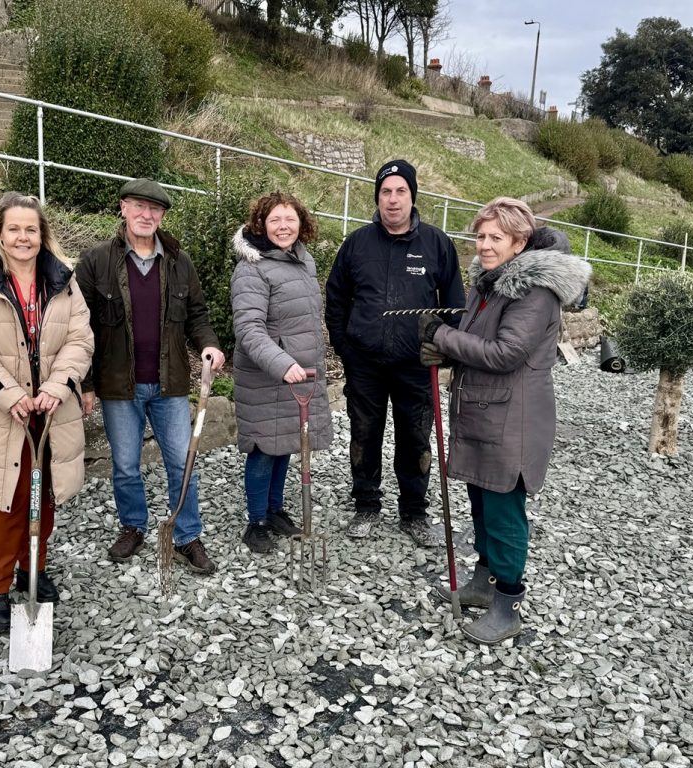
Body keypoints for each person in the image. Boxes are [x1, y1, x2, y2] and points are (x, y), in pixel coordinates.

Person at [418, 197, 590, 644]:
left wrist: (443, 337)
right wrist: (449, 332)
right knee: (481, 504)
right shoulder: (490, 284)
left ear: (519, 243)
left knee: (504, 513)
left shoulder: (532, 292)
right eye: (481, 236)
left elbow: (505, 352)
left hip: (511, 420)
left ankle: (508, 602)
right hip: (483, 413)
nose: (486, 245)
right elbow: (480, 336)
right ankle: (484, 580)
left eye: (497, 237)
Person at [0, 192, 95, 633]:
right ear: (0, 232)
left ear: (42, 234)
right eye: (14, 228)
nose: (23, 237)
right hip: (2, 411)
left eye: (31, 229)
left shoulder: (64, 281)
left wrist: (57, 387)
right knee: (6, 500)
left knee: (44, 497)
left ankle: (32, 570)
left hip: (50, 411)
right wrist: (8, 393)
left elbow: (80, 339)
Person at [76, 178, 225, 574]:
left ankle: (187, 536)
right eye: (139, 207)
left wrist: (209, 344)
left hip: (169, 384)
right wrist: (86, 384)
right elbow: (79, 327)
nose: (147, 215)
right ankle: (133, 527)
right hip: (117, 386)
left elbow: (197, 316)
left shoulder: (179, 261)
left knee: (182, 463)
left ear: (162, 216)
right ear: (123, 208)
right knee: (126, 465)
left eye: (155, 209)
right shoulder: (95, 261)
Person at [325, 159, 465, 545]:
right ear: (377, 197)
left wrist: (444, 350)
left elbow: (454, 305)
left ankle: (414, 513)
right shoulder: (357, 244)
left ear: (413, 196)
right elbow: (335, 298)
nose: (392, 200)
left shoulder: (437, 244)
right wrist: (345, 346)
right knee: (364, 434)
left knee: (415, 438)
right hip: (365, 365)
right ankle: (366, 506)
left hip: (417, 366)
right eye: (386, 191)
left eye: (401, 191)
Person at [230, 192, 333, 553]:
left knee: (285, 444)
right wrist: (283, 363)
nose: (284, 226)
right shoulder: (252, 269)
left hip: (297, 374)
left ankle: (274, 510)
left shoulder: (304, 263)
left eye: (290, 219)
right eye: (275, 220)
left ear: (302, 223)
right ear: (262, 224)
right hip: (268, 375)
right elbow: (249, 329)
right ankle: (255, 522)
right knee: (263, 448)